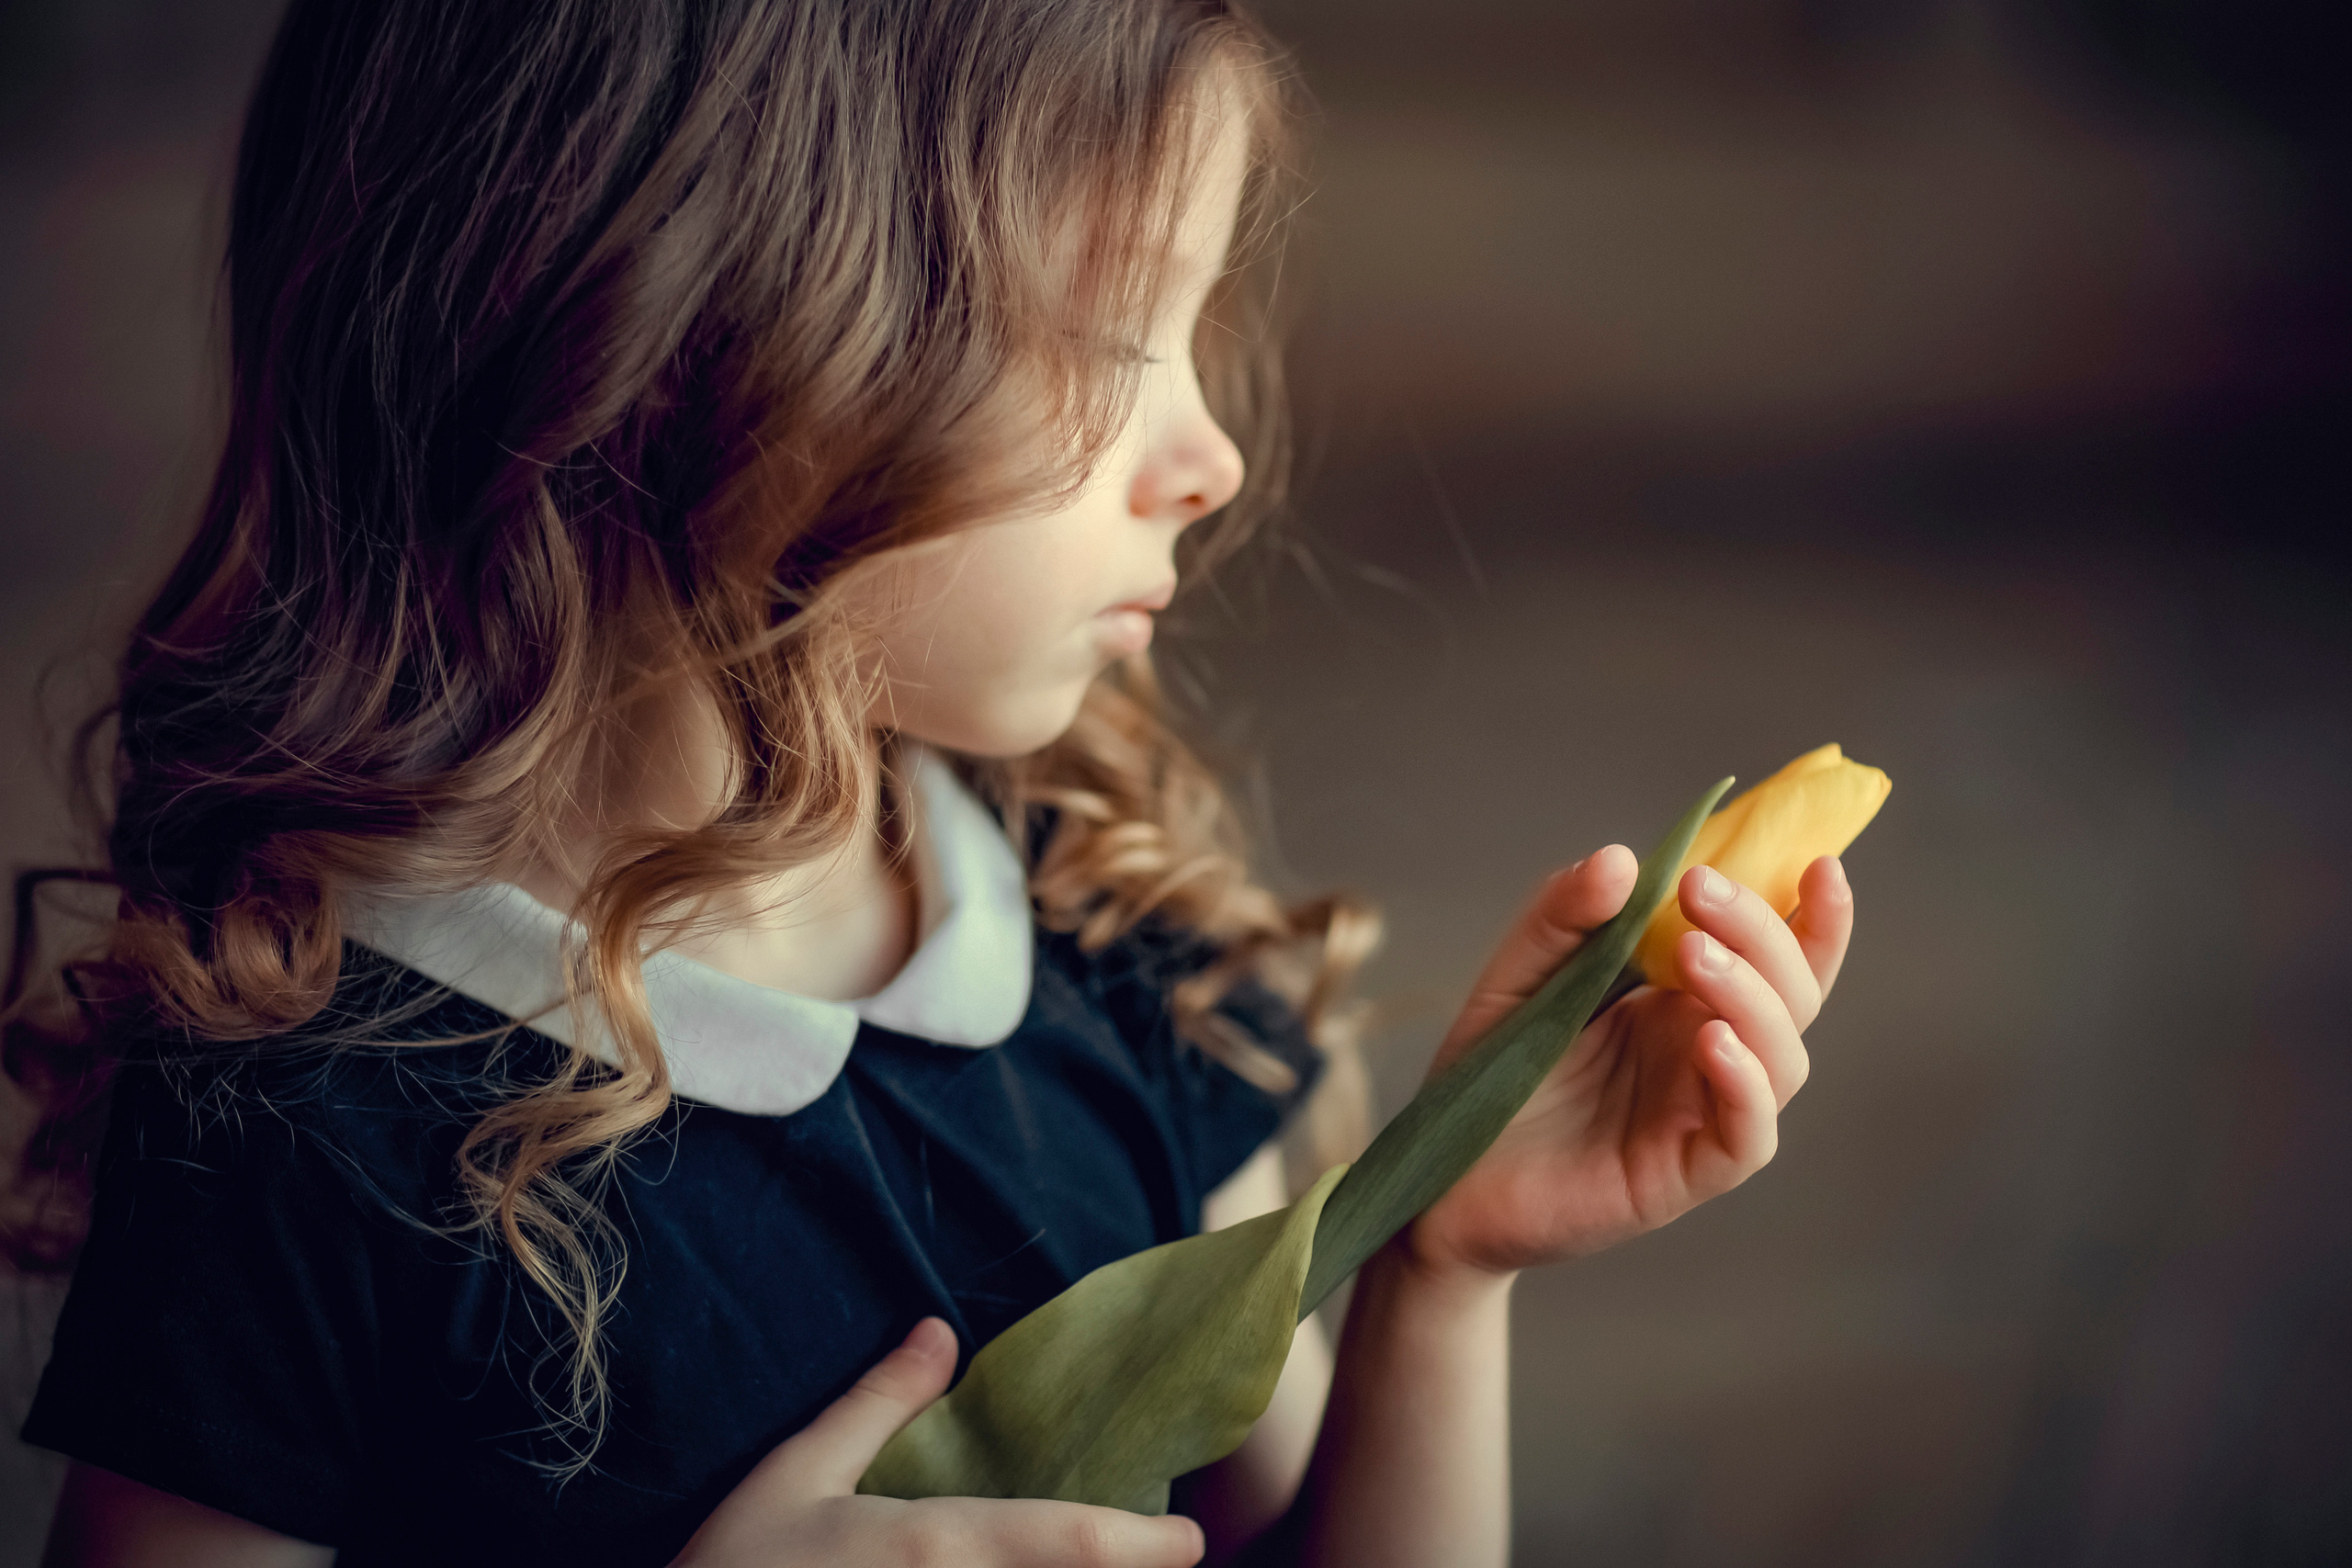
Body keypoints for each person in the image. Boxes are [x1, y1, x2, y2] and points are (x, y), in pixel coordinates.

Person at [10, 2, 1855, 1564]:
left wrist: (1438, 1269)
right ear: (677, 338)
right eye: (1105, 332)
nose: (1206, 451)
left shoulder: (1113, 947)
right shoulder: (306, 1128)